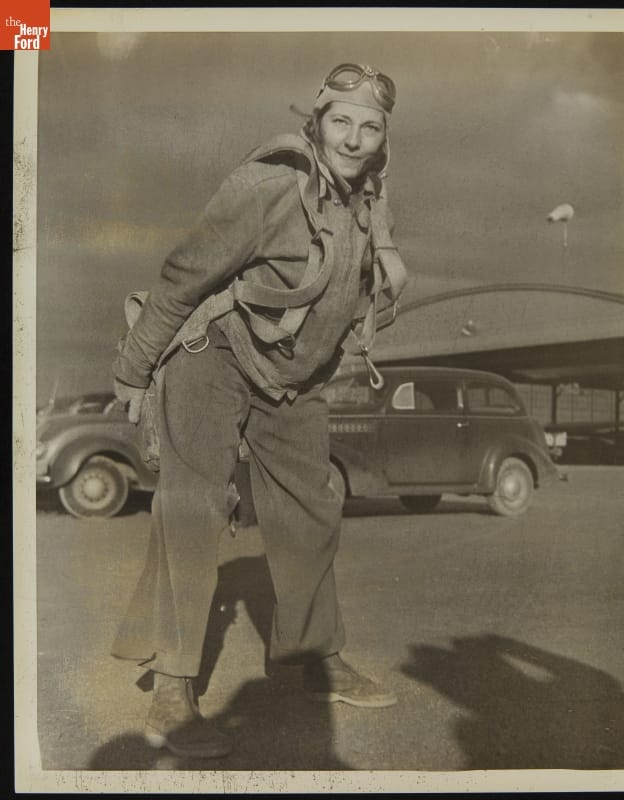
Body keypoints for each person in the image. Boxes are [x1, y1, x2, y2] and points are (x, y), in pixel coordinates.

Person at [112, 63, 407, 759]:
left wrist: (388, 251)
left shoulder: (368, 192)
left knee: (311, 508)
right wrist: (132, 372)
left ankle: (316, 656)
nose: (354, 139)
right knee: (193, 511)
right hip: (212, 354)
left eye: (369, 128)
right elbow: (184, 276)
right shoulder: (267, 184)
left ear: (383, 138)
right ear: (317, 121)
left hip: (292, 376)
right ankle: (173, 685)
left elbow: (359, 255)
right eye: (341, 122)